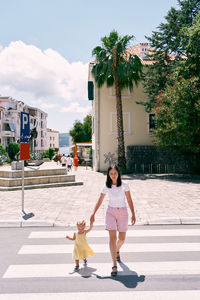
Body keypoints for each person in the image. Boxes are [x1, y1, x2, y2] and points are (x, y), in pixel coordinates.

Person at [90, 165, 136, 276]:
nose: (113, 175)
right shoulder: (106, 186)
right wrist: (93, 213)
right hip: (110, 212)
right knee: (112, 238)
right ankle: (114, 265)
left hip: (123, 212)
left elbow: (129, 200)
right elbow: (100, 200)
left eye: (115, 173)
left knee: (122, 238)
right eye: (111, 173)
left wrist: (133, 214)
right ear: (109, 175)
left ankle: (117, 250)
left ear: (118, 174)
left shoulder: (125, 185)